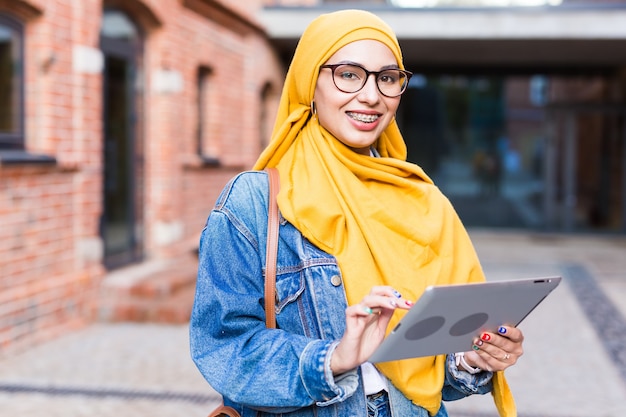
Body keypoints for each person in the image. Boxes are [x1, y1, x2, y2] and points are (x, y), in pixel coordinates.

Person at [190, 9, 524, 417]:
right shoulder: (254, 203)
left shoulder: (423, 200)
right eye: (349, 74)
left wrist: (474, 359)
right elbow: (223, 345)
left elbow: (436, 371)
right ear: (309, 84)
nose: (371, 95)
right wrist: (333, 358)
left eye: (387, 78)